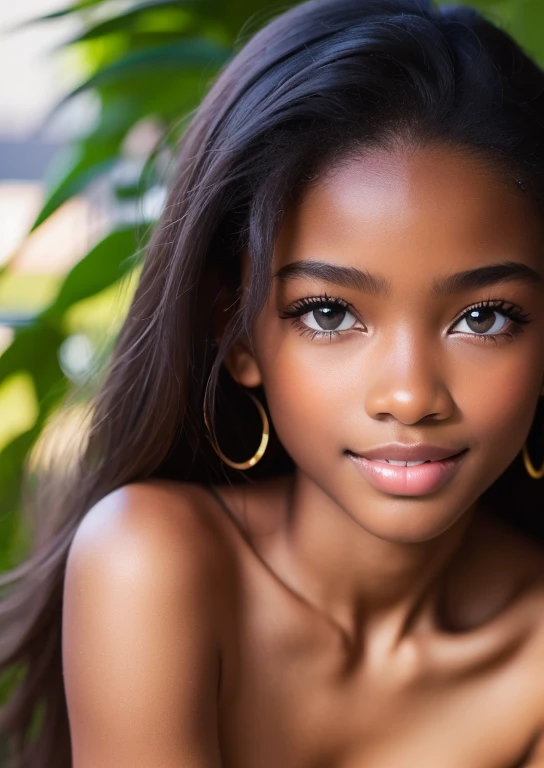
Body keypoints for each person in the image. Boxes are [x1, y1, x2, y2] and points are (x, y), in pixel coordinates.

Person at [2, 0, 544, 765]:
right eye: (329, 313)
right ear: (238, 331)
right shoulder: (152, 562)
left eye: (485, 318)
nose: (411, 395)